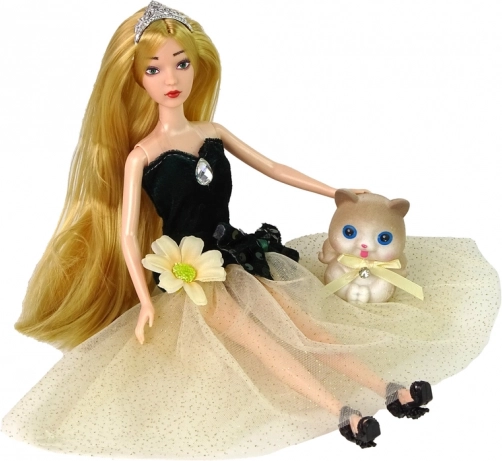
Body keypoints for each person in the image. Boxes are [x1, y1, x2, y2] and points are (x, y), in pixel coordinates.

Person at [2, 2, 499, 458]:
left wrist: (335, 191)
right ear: (135, 78)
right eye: (154, 69)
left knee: (306, 327)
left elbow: (273, 167)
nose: (171, 78)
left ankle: (390, 389)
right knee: (265, 344)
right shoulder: (141, 157)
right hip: (192, 275)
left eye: (181, 63)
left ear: (197, 64)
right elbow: (128, 236)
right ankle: (343, 414)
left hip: (239, 255)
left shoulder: (212, 133)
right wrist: (145, 300)